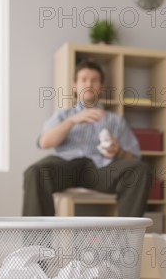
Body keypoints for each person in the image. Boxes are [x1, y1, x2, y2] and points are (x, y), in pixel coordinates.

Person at [23, 59, 153, 217]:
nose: (89, 84)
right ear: (75, 85)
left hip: (101, 170)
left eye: (94, 80)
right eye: (84, 79)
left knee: (140, 170)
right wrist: (72, 120)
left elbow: (134, 157)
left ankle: (128, 240)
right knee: (35, 172)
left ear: (101, 87)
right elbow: (44, 142)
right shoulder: (63, 115)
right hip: (66, 166)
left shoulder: (115, 120)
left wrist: (117, 150)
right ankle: (38, 242)